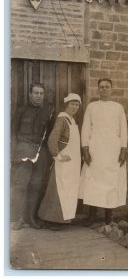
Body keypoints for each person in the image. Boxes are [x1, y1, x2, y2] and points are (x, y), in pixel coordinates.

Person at [79, 78, 128, 226]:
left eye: (107, 87)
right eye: (102, 87)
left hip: (113, 150)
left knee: (111, 182)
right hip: (96, 150)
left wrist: (123, 149)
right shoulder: (92, 107)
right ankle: (92, 216)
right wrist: (85, 149)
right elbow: (86, 128)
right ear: (98, 89)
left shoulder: (118, 107)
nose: (104, 89)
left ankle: (108, 217)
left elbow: (124, 129)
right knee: (93, 181)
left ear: (111, 89)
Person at [11, 83, 52, 230]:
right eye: (36, 93)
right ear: (30, 94)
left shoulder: (48, 112)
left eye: (41, 93)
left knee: (36, 186)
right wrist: (13, 154)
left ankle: (31, 218)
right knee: (21, 185)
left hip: (40, 154)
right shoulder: (21, 111)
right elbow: (12, 133)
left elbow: (50, 135)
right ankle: (19, 219)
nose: (39, 96)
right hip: (23, 152)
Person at [38, 93, 81, 226]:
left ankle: (64, 218)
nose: (74, 107)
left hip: (72, 164)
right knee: (59, 190)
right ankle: (53, 220)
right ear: (66, 105)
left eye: (77, 105)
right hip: (63, 163)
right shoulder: (62, 119)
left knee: (68, 190)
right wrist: (58, 156)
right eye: (72, 104)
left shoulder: (72, 121)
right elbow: (52, 140)